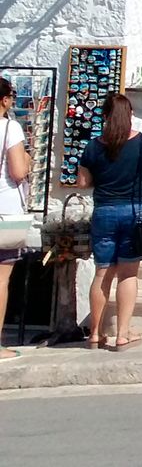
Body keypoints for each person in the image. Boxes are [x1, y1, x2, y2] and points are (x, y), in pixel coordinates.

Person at [73, 92, 142, 351]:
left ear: (104, 117)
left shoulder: (93, 146)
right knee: (128, 274)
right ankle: (122, 334)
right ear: (130, 116)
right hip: (137, 213)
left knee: (102, 273)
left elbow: (83, 183)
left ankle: (95, 333)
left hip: (104, 212)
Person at [0, 77, 32, 360]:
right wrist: (29, 161)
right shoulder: (10, 127)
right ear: (5, 100)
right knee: (0, 279)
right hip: (4, 210)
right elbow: (18, 172)